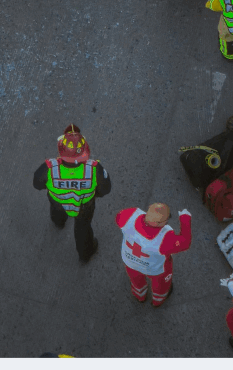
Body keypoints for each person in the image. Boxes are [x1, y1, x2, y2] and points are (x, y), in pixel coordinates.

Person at [33, 124, 112, 263]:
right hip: (84, 206)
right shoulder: (95, 169)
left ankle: (59, 223)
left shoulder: (48, 168)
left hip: (57, 202)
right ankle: (85, 254)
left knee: (57, 212)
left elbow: (37, 184)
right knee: (82, 229)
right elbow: (105, 189)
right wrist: (93, 195)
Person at [115, 203, 193, 307]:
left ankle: (140, 296)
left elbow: (118, 217)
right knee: (161, 285)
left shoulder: (129, 215)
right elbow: (185, 243)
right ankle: (157, 300)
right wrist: (185, 219)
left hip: (130, 262)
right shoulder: (165, 239)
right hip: (154, 269)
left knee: (136, 280)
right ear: (159, 223)